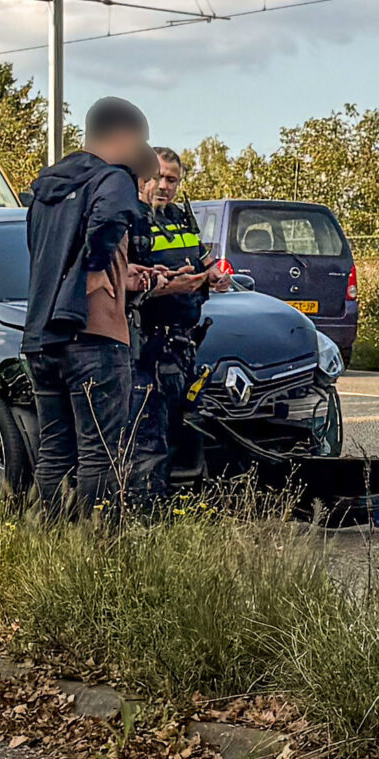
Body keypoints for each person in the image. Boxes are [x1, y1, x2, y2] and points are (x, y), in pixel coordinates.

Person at [22, 97, 159, 517]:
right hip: (94, 340)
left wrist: (118, 271)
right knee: (101, 452)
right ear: (123, 136)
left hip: (43, 338)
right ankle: (96, 552)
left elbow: (48, 255)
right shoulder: (113, 178)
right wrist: (97, 268)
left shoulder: (46, 186)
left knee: (55, 451)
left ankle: (51, 544)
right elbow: (114, 214)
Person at [136, 146, 233, 500]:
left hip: (185, 344)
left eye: (172, 180)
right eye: (158, 177)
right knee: (148, 440)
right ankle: (145, 514)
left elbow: (205, 263)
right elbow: (121, 285)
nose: (164, 185)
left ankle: (176, 508)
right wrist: (168, 286)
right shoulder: (132, 219)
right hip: (147, 345)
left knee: (180, 432)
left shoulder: (181, 217)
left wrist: (215, 277)